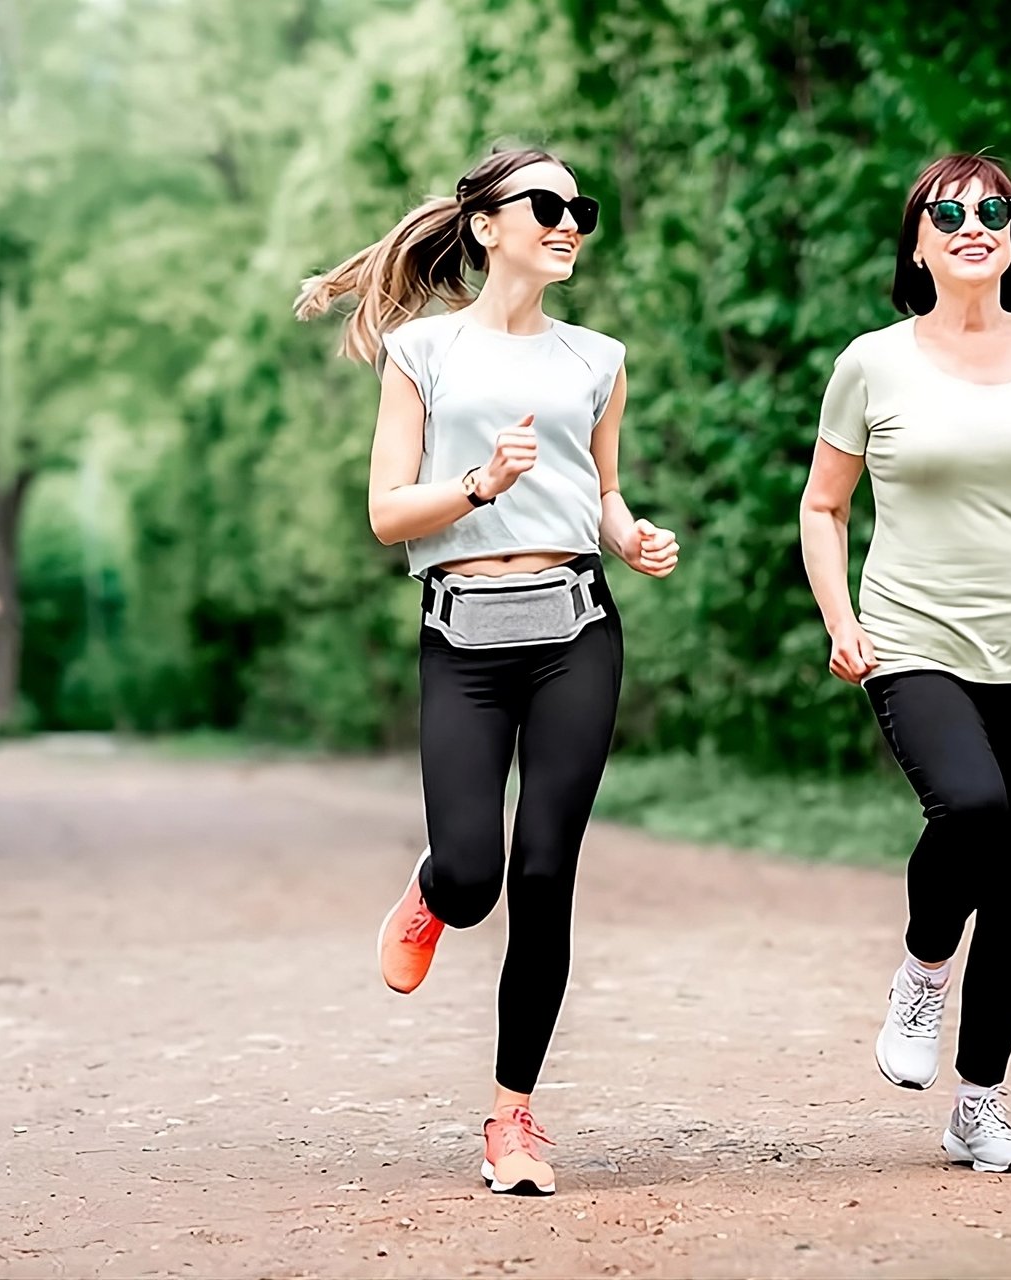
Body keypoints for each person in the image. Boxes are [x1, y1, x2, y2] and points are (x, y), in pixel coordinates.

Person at [294, 147, 680, 1196]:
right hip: (462, 637)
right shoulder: (421, 352)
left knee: (544, 874)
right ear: (486, 225)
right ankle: (431, 887)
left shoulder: (598, 356)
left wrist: (631, 532)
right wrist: (476, 483)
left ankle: (512, 1117)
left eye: (580, 208)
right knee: (475, 875)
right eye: (546, 205)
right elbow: (386, 512)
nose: (569, 223)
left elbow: (600, 492)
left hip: (574, 631)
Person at [797, 153, 1011, 1174]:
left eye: (993, 209)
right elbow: (823, 506)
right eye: (948, 212)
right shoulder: (872, 362)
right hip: (914, 636)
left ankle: (977, 1103)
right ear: (919, 243)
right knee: (973, 809)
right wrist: (840, 614)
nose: (972, 223)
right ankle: (922, 964)